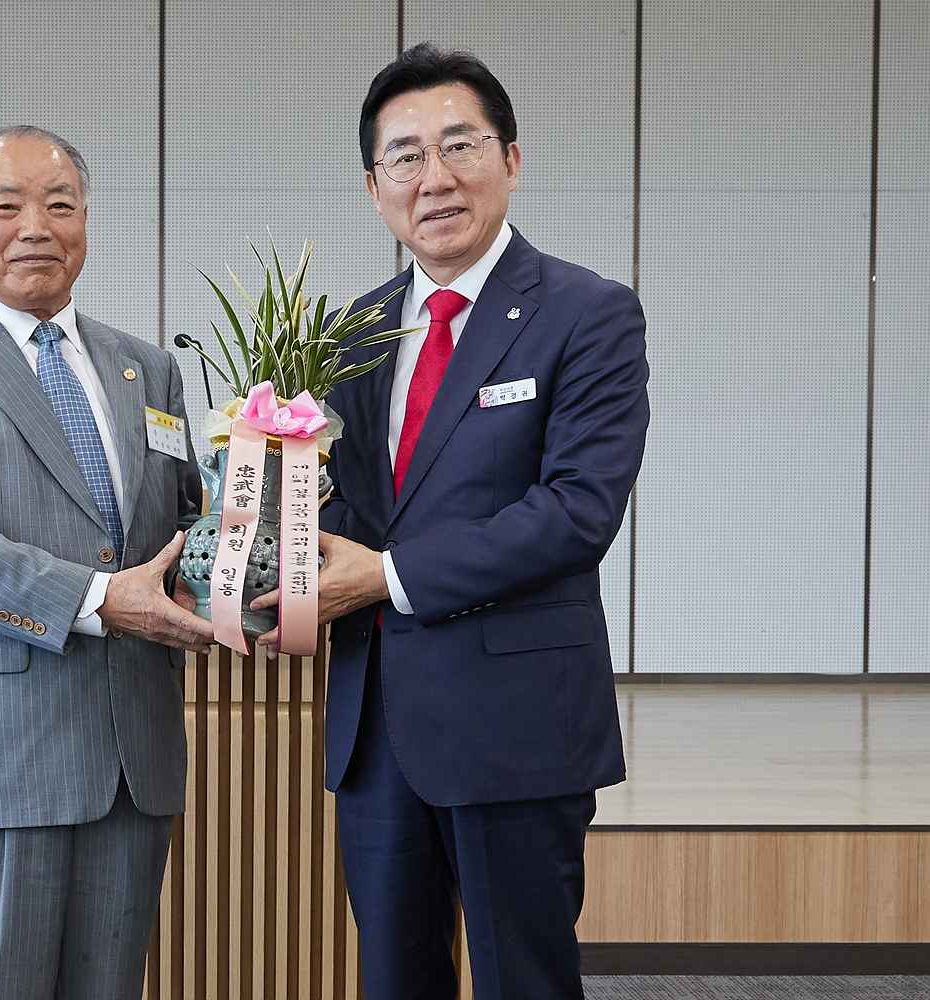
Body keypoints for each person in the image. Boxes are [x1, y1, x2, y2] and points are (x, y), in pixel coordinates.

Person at [256, 43, 650, 1000]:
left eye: (459, 146)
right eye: (404, 156)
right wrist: (260, 558)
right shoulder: (351, 332)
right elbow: (340, 509)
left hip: (514, 725)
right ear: (373, 184)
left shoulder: (588, 314)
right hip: (375, 728)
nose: (434, 178)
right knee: (395, 978)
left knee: (526, 980)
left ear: (510, 159)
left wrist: (385, 578)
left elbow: (574, 514)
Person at [0, 125, 211, 1000]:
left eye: (59, 204)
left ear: (86, 223)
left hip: (133, 756)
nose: (36, 226)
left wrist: (264, 530)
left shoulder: (148, 370)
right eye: (7, 204)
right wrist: (103, 599)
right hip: (0, 754)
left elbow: (177, 527)